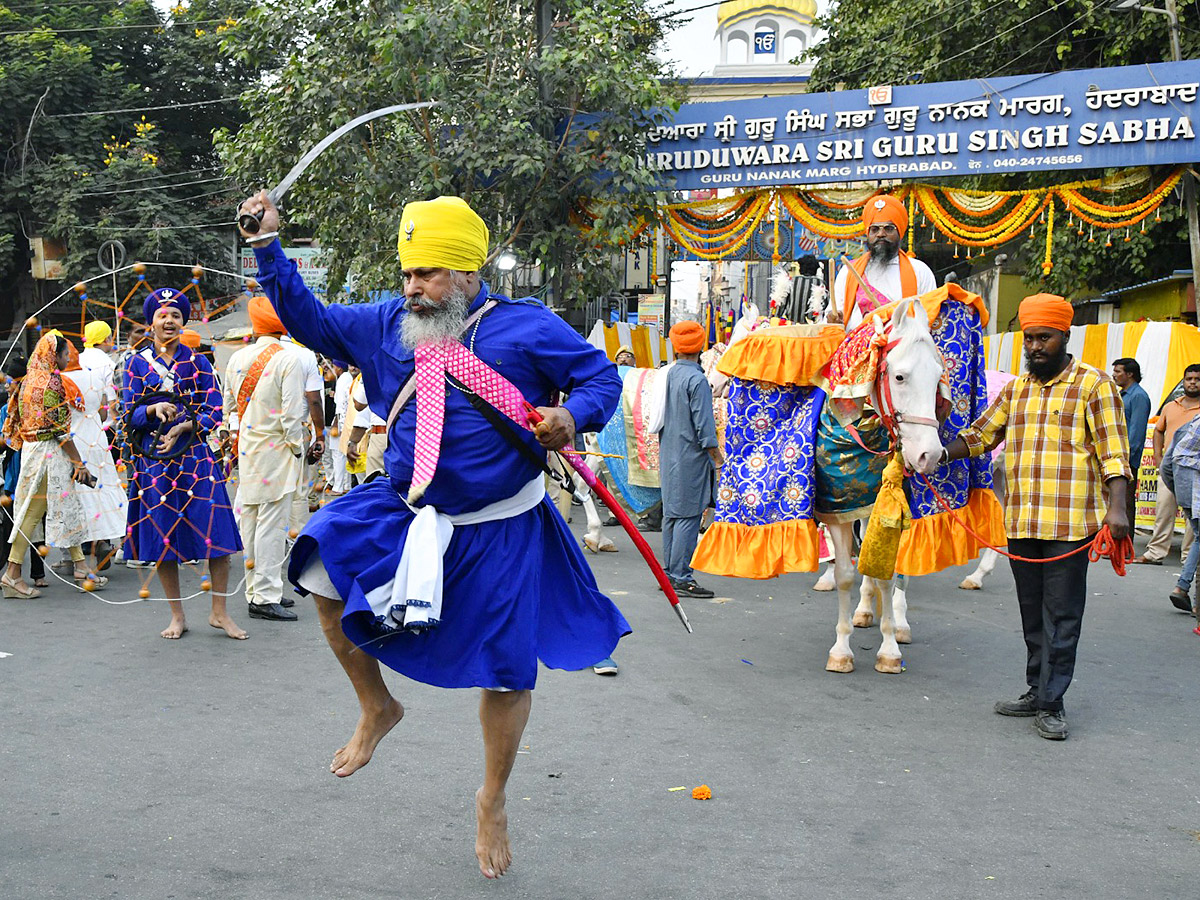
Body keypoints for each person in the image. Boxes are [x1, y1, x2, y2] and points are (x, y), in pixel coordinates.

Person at [239, 190, 628, 879]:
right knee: (321, 568)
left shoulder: (526, 326)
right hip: (406, 503)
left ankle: (492, 799)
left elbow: (598, 376)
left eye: (430, 274)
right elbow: (310, 319)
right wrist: (269, 247)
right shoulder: (383, 323)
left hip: (502, 523)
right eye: (409, 273)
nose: (414, 288)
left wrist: (575, 418)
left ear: (471, 275)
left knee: (508, 675)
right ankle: (376, 706)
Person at [938, 293, 1130, 741]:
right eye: (1029, 339)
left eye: (1044, 338)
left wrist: (1118, 508)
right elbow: (980, 436)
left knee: (1062, 615)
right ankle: (1035, 689)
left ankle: (1052, 702)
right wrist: (933, 456)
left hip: (1071, 526)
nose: (1035, 347)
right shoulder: (1016, 390)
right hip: (1023, 523)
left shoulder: (1094, 385)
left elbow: (1115, 453)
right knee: (1031, 613)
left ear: (1065, 336)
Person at [123, 287, 245, 640]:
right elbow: (128, 412)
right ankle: (177, 615)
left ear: (183, 321)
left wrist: (186, 425)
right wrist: (151, 410)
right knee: (164, 538)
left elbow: (214, 409)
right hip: (156, 463)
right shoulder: (135, 363)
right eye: (163, 315)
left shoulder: (199, 362)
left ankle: (219, 612)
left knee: (217, 533)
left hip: (195, 458)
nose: (170, 321)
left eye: (176, 315)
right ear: (151, 323)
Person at [222, 296, 308, 623]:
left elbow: (229, 406)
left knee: (251, 520)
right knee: (272, 525)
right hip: (276, 450)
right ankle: (266, 595)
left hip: (247, 448)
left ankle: (257, 589)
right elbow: (290, 415)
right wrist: (298, 448)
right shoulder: (289, 360)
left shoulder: (237, 358)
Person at [1, 334, 104, 597]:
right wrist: (78, 461)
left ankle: (80, 566)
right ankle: (12, 574)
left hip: (32, 451)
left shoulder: (27, 381)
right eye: (65, 353)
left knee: (68, 506)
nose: (69, 357)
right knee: (33, 512)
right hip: (49, 454)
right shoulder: (52, 381)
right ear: (53, 355)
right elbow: (58, 429)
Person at [655, 320, 721, 599]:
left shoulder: (667, 375)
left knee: (671, 515)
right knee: (688, 517)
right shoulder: (696, 380)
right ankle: (681, 577)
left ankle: (669, 574)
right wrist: (717, 458)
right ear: (701, 348)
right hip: (690, 457)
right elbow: (705, 427)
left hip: (669, 454)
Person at [64, 339, 127, 572]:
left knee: (79, 494)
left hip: (73, 440)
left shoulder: (60, 380)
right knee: (104, 489)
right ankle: (107, 539)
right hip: (97, 437)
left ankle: (84, 549)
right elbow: (105, 406)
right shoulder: (98, 371)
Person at [832, 194, 937, 328]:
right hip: (859, 347)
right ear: (868, 234)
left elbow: (930, 315)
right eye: (874, 229)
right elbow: (833, 314)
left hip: (902, 346)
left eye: (888, 228)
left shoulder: (920, 271)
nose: (880, 234)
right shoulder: (848, 271)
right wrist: (832, 317)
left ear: (900, 233)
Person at [1134, 363, 1200, 565]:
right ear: (1184, 381)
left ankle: (1189, 557)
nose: (1193, 383)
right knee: (1163, 511)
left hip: (1195, 470)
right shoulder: (1171, 406)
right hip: (1170, 468)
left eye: (1197, 379)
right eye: (1189, 379)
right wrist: (1158, 457)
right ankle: (1155, 553)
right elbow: (1158, 431)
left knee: (1193, 517)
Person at [1158, 415, 1200, 624]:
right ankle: (1187, 591)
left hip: (1185, 490)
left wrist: (1178, 490)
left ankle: (1183, 588)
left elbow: (1168, 464)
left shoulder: (1189, 425)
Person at [1111, 357, 1150, 540]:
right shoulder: (1122, 394)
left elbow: (1136, 433)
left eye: (1118, 371)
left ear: (1130, 374)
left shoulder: (1138, 396)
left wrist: (1126, 460)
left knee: (1125, 503)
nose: (1114, 375)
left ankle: (1124, 547)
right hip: (1117, 457)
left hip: (1127, 459)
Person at [327, 361, 353, 495]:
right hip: (344, 421)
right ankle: (346, 484)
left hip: (341, 421)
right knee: (343, 454)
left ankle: (338, 487)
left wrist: (339, 425)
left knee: (338, 455)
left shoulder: (343, 379)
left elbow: (342, 405)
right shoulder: (346, 378)